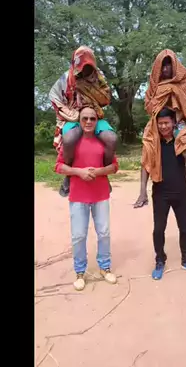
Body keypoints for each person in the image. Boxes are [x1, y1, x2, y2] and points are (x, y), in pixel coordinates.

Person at [134, 107, 186, 280]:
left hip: (181, 192)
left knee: (185, 228)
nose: (163, 126)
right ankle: (160, 260)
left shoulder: (181, 142)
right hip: (160, 193)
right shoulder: (153, 144)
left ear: (173, 123)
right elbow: (145, 167)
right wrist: (142, 192)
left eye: (166, 123)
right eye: (160, 123)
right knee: (158, 229)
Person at [55, 106, 120, 291]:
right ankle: (80, 272)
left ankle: (105, 267)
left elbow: (114, 166)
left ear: (97, 121)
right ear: (80, 121)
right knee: (79, 235)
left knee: (104, 233)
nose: (89, 122)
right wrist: (79, 172)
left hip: (100, 195)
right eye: (85, 118)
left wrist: (98, 171)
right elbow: (59, 166)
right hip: (78, 196)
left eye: (92, 118)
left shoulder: (103, 142)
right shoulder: (72, 144)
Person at [135, 49, 186, 210]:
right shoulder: (154, 84)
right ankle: (142, 193)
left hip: (178, 122)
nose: (165, 69)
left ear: (175, 65)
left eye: (168, 65)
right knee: (147, 148)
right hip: (157, 122)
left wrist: (175, 117)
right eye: (162, 66)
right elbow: (149, 106)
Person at [49, 46, 118, 197]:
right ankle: (69, 175)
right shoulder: (67, 78)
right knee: (69, 139)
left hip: (94, 115)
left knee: (112, 139)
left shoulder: (99, 77)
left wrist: (90, 101)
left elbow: (106, 99)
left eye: (88, 68)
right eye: (82, 68)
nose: (85, 71)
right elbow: (53, 96)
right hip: (74, 117)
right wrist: (71, 114)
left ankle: (104, 174)